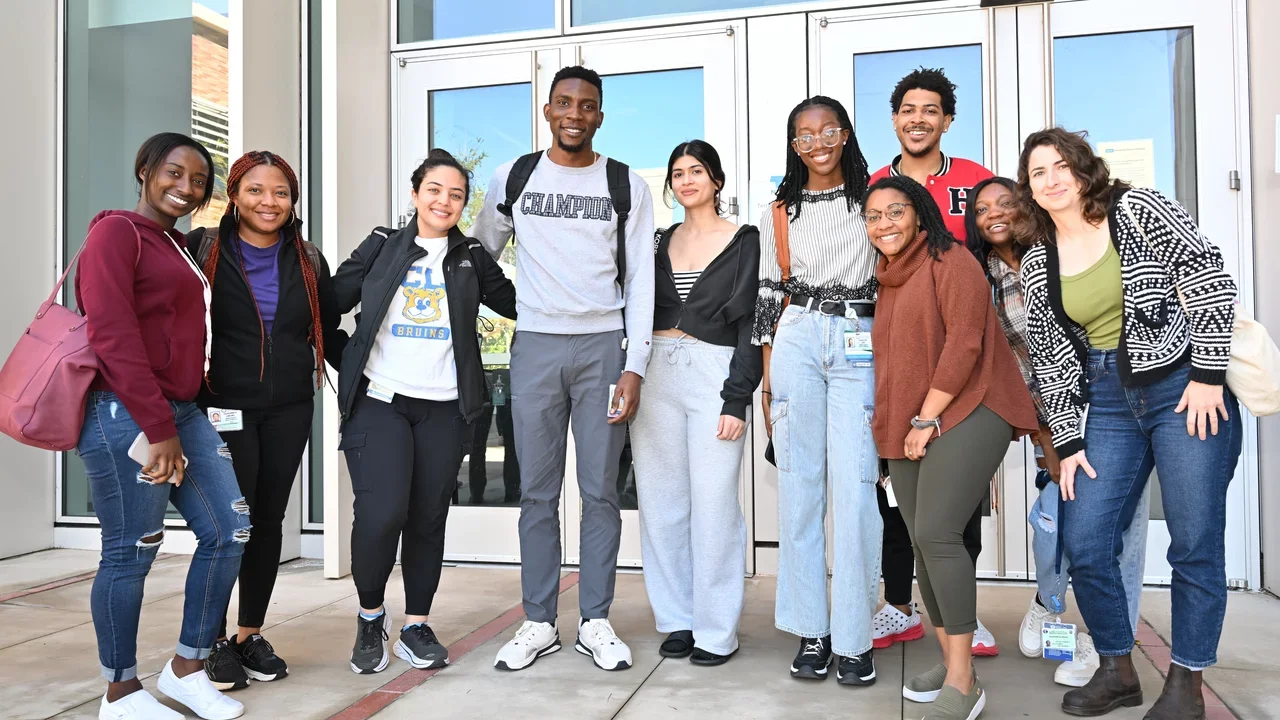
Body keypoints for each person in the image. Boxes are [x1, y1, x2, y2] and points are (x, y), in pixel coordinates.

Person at [1017, 128, 1243, 718]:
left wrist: (1208, 374)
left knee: (1193, 542)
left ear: (1084, 169)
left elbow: (1207, 273)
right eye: (1039, 172)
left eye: (1062, 165)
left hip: (1183, 385)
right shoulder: (1039, 261)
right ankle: (1118, 669)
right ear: (1030, 188)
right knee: (1085, 539)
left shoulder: (1136, 208)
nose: (1052, 178)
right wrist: (1066, 442)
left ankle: (1186, 683)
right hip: (1110, 402)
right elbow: (1050, 358)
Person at [472, 65, 655, 673]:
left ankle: (595, 620)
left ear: (600, 115)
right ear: (547, 110)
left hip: (603, 347)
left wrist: (635, 365)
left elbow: (643, 281)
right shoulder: (514, 176)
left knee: (602, 491)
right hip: (536, 350)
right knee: (536, 494)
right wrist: (514, 307)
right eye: (564, 103)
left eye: (587, 105)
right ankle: (539, 622)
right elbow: (478, 254)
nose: (575, 114)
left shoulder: (626, 183)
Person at [74, 132, 248, 720]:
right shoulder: (115, 233)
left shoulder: (175, 245)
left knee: (230, 530)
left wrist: (187, 410)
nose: (186, 188)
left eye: (198, 181)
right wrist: (158, 425)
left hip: (179, 411)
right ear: (144, 170)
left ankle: (187, 669)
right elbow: (112, 334)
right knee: (131, 551)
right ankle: (120, 693)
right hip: (125, 413)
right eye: (174, 173)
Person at [331, 148, 517, 674]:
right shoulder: (382, 246)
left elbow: (522, 303)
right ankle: (371, 617)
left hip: (445, 409)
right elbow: (327, 301)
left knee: (428, 518)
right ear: (415, 194)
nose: (445, 200)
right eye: (435, 189)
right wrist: (347, 359)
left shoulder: (471, 257)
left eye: (456, 194)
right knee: (380, 514)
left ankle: (415, 624)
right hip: (381, 403)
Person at [964, 176, 1150, 688]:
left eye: (1006, 202)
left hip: (1111, 398)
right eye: (982, 209)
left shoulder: (1061, 252)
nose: (995, 214)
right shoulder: (979, 272)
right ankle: (1049, 603)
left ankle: (1112, 642)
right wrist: (1047, 430)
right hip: (1052, 415)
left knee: (1121, 527)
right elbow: (1015, 358)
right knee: (1056, 514)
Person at [867, 175, 1037, 720]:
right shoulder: (889, 276)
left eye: (895, 211)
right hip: (912, 421)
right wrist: (894, 428)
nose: (884, 224)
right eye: (873, 216)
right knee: (921, 542)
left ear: (919, 213)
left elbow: (965, 343)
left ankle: (964, 683)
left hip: (974, 406)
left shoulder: (952, 261)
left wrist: (924, 418)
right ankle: (951, 658)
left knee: (939, 535)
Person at [192, 151, 346, 691]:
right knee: (228, 525)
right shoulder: (203, 248)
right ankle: (206, 641)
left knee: (268, 522)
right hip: (220, 406)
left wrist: (377, 378)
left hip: (288, 409)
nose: (269, 202)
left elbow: (329, 332)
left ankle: (247, 634)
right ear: (234, 194)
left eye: (280, 192)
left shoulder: (308, 258)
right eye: (255, 190)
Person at [868, 66, 997, 656]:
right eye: (907, 109)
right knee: (904, 504)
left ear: (947, 119)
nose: (917, 118)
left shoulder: (974, 181)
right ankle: (900, 607)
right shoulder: (876, 184)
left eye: (930, 109)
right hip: (905, 345)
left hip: (964, 353)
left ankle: (961, 614)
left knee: (951, 509)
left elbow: (1006, 241)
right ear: (895, 119)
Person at [753, 96, 881, 687]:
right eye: (804, 135)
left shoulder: (875, 198)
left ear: (846, 133)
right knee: (801, 491)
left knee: (856, 492)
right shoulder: (779, 209)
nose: (818, 142)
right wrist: (766, 375)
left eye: (829, 130)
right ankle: (813, 629)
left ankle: (856, 637)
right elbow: (766, 294)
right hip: (798, 335)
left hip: (860, 333)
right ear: (793, 144)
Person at [632, 140, 761, 667]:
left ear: (717, 180)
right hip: (657, 371)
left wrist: (738, 399)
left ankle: (715, 629)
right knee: (662, 506)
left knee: (714, 507)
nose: (687, 181)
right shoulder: (659, 240)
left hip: (715, 374)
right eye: (678, 172)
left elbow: (753, 323)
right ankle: (677, 619)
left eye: (697, 171)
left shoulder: (744, 240)